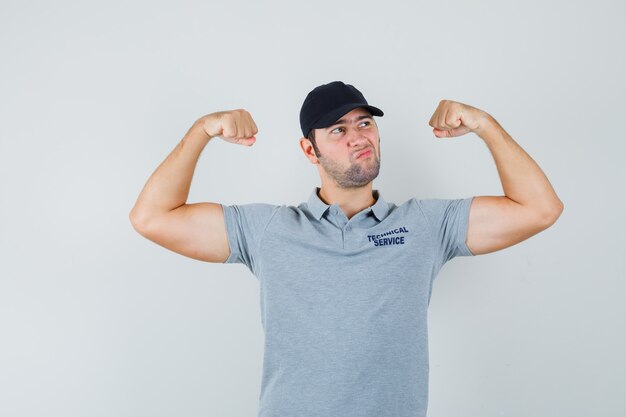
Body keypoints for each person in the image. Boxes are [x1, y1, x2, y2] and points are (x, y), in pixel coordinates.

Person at [129, 81, 564, 417]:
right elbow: (152, 217)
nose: (358, 137)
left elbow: (540, 209)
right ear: (309, 149)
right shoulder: (268, 230)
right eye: (338, 129)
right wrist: (202, 130)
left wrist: (485, 125)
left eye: (365, 123)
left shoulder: (426, 225)